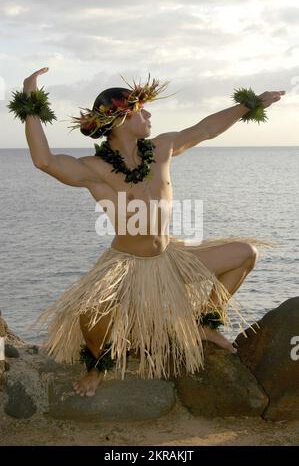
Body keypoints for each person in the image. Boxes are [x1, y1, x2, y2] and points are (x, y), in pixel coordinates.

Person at [20, 67, 284, 397]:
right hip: (125, 266)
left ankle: (205, 322)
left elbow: (206, 129)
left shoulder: (162, 149)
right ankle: (99, 364)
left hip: (170, 258)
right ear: (119, 120)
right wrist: (29, 96)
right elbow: (44, 161)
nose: (148, 114)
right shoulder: (95, 169)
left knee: (246, 253)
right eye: (139, 110)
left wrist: (251, 104)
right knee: (88, 312)